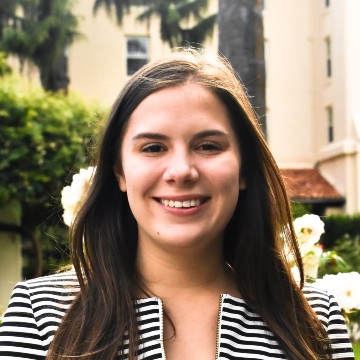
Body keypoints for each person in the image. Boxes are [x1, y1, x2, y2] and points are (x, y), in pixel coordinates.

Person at [0, 49, 355, 360]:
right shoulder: (41, 315)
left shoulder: (313, 317)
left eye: (208, 146)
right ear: (119, 172)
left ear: (244, 168)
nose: (181, 171)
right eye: (153, 147)